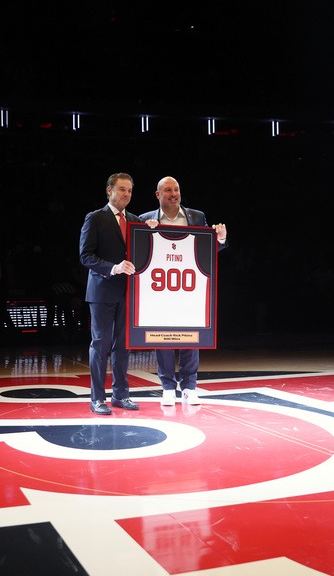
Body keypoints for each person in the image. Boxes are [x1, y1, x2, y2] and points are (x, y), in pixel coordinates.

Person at [139, 176, 227, 406]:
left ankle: (189, 387)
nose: (173, 193)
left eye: (176, 189)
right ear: (158, 195)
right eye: (167, 190)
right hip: (158, 290)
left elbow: (207, 251)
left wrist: (221, 239)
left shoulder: (196, 217)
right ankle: (167, 387)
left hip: (188, 289)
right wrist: (146, 235)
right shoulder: (145, 219)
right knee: (163, 339)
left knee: (191, 337)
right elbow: (139, 254)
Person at [79, 173, 144, 415]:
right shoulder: (95, 218)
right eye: (121, 189)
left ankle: (120, 395)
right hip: (102, 291)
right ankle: (97, 398)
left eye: (129, 190)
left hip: (128, 292)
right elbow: (86, 256)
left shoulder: (136, 221)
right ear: (109, 191)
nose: (126, 194)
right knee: (100, 345)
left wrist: (153, 233)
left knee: (123, 346)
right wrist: (112, 268)